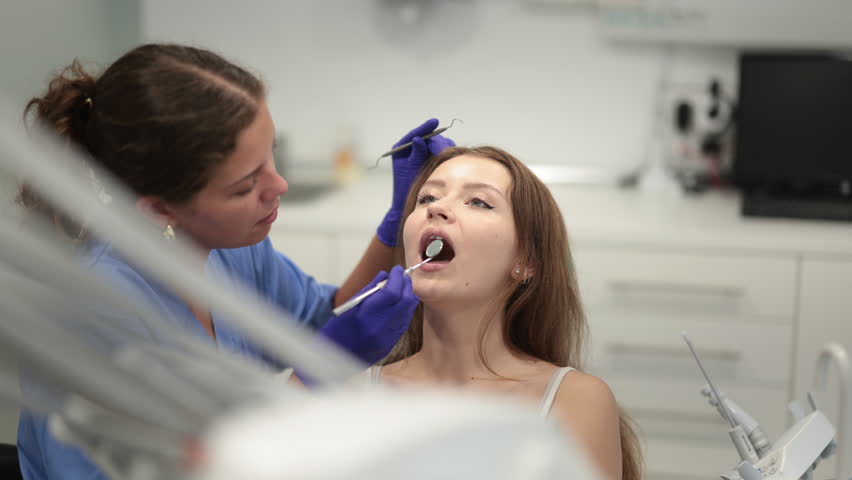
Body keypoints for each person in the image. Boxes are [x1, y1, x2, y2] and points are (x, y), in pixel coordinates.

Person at [15, 43, 454, 479]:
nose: (279, 184)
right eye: (245, 186)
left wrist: (394, 227)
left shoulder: (233, 247)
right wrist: (317, 374)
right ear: (159, 208)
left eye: (270, 156)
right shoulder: (97, 315)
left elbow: (319, 318)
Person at [365, 146, 643, 480]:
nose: (437, 208)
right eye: (426, 198)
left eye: (478, 201)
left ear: (525, 262)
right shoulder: (352, 392)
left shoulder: (575, 400)